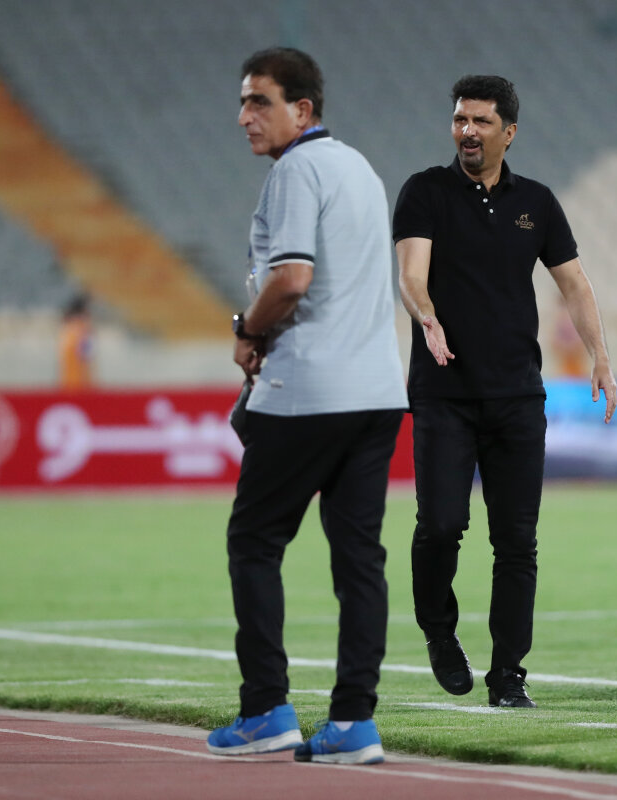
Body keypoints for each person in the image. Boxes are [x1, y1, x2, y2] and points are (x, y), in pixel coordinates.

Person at [206, 47, 407, 765]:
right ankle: (354, 723)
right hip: (377, 392)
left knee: (254, 543)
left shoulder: (295, 172)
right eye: (243, 102)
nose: (244, 116)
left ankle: (266, 708)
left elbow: (292, 279)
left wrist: (248, 330)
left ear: (303, 109)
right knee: (359, 560)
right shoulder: (360, 169)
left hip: (309, 392)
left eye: (258, 101)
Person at [393, 75, 617, 709]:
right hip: (444, 393)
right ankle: (439, 629)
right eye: (459, 119)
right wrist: (427, 317)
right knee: (441, 525)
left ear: (509, 132)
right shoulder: (425, 192)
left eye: (481, 121)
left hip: (518, 397)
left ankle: (508, 675)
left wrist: (601, 356)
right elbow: (411, 273)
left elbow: (574, 284)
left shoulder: (537, 203)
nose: (467, 131)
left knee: (517, 542)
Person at [58, 294, 94, 389]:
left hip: (71, 384)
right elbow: (86, 358)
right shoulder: (80, 332)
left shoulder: (67, 332)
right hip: (78, 386)